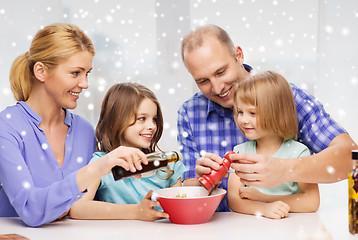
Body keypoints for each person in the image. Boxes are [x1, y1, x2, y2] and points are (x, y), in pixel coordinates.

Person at [177, 24, 356, 212]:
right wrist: (201, 183)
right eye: (202, 81)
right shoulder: (189, 113)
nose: (217, 87)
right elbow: (191, 198)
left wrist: (285, 169)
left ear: (238, 55)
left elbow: (351, 159)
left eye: (221, 72)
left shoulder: (285, 97)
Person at [0, 23, 147, 227]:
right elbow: (30, 209)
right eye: (75, 73)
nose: (85, 83)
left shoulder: (84, 131)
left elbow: (91, 202)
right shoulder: (6, 128)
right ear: (41, 71)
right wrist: (97, 168)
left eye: (87, 73)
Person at [69, 82, 185, 221]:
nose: (151, 126)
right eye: (141, 119)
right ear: (114, 122)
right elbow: (77, 208)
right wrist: (136, 212)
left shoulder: (169, 167)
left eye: (154, 119)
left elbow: (180, 211)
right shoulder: (102, 165)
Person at [227, 70, 320, 219]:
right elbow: (233, 200)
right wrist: (263, 209)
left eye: (252, 113)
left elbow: (311, 202)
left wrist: (264, 198)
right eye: (240, 112)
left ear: (277, 113)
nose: (243, 120)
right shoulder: (240, 153)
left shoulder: (298, 153)